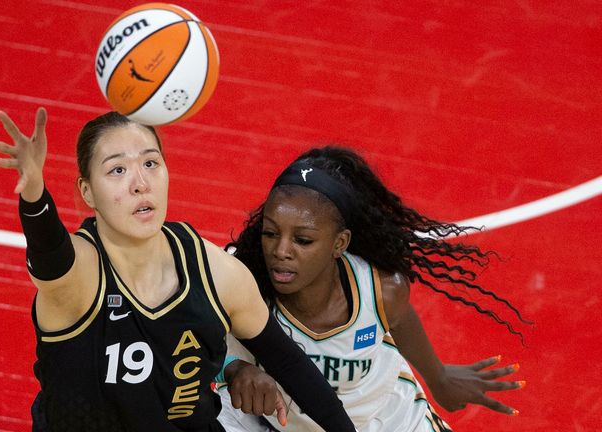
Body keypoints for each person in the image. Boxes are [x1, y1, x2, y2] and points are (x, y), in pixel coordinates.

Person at [0, 108, 357, 432]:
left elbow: (289, 363)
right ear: (87, 192)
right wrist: (34, 192)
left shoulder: (218, 274)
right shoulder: (81, 274)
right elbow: (50, 255)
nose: (140, 184)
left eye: (150, 163)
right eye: (117, 170)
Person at [215, 146, 531, 432]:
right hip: (265, 423)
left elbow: (401, 317)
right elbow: (177, 341)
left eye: (303, 240)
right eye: (270, 233)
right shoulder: (237, 277)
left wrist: (439, 378)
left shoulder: (380, 289)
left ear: (339, 243)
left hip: (379, 421)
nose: (281, 251)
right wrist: (231, 369)